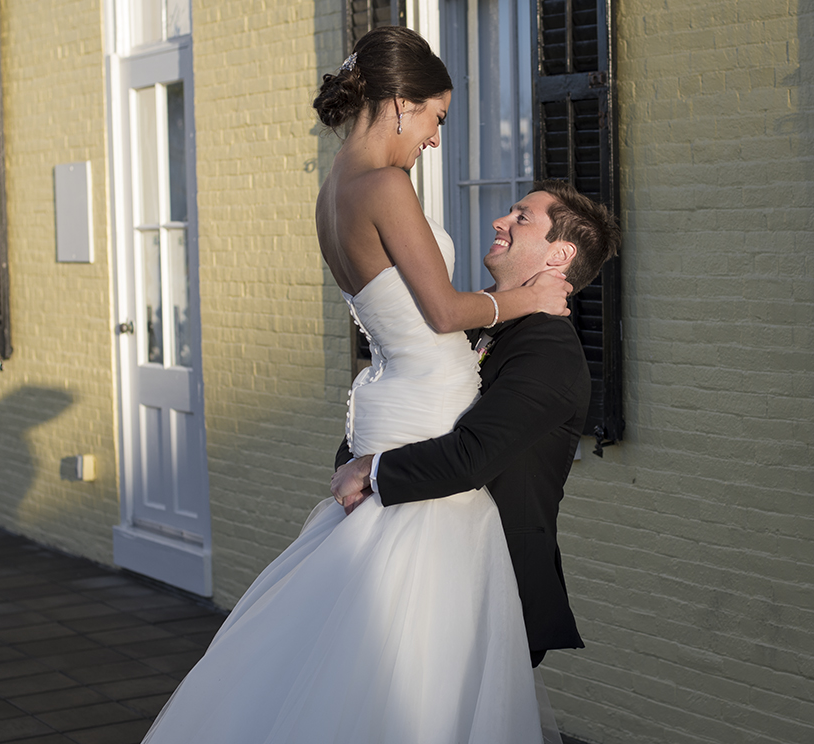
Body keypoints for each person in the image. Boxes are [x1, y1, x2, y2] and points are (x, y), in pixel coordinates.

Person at [141, 27, 572, 743]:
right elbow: (441, 312)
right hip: (427, 400)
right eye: (436, 118)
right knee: (423, 610)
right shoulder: (384, 186)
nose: (435, 140)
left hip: (389, 394)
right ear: (401, 104)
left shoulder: (335, 187)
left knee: (372, 585)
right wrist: (530, 301)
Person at [331, 178, 620, 668]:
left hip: (487, 581)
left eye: (521, 217)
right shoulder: (474, 321)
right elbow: (407, 399)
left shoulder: (549, 351)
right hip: (409, 562)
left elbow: (473, 456)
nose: (499, 221)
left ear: (559, 254)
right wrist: (355, 457)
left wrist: (370, 470)